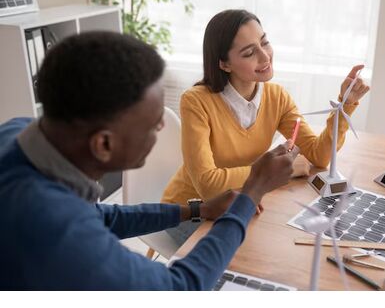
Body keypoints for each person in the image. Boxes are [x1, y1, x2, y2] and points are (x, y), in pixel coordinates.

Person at [0, 31, 299, 290]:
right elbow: (181, 288)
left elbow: (97, 216)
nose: (161, 127)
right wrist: (252, 190)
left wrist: (199, 209)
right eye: (153, 122)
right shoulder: (53, 230)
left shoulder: (20, 133)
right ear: (104, 143)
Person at [162, 9, 370, 245]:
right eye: (250, 52)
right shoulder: (196, 101)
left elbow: (319, 155)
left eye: (265, 42)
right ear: (225, 64)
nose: (265, 56)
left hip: (239, 203)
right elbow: (208, 185)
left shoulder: (277, 97)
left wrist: (346, 103)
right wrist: (270, 172)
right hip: (191, 212)